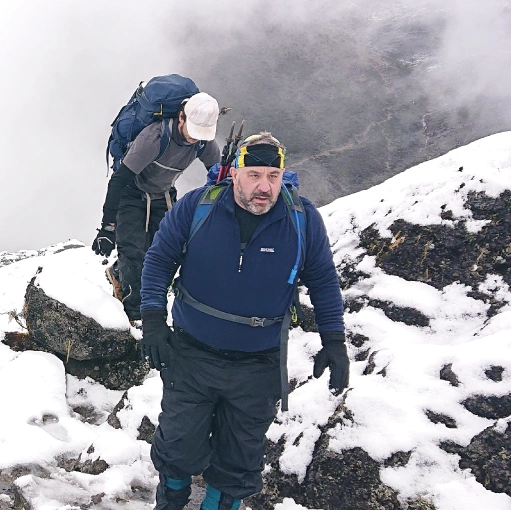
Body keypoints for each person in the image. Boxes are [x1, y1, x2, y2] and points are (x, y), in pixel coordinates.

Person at [138, 133, 349, 509]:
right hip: (191, 355)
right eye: (254, 174)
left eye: (273, 175)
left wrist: (334, 341)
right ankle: (171, 500)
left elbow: (323, 280)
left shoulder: (302, 220)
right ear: (234, 173)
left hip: (258, 364)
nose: (264, 186)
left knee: (239, 461)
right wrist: (153, 318)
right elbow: (158, 260)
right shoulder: (197, 207)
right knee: (178, 445)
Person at [98, 92, 224, 321]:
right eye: (193, 132)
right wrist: (108, 227)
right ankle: (136, 319)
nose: (195, 139)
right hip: (132, 193)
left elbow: (219, 177)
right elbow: (119, 180)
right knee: (135, 255)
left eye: (201, 135)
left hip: (163, 193)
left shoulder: (204, 142)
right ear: (181, 117)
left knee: (165, 254)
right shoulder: (154, 138)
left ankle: (118, 272)